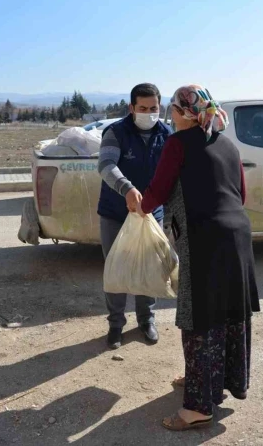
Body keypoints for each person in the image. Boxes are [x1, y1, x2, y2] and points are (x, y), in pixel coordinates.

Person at [137, 84, 260, 431]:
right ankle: (216, 381)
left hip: (204, 240)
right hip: (238, 236)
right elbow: (242, 193)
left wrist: (139, 206)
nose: (169, 116)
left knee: (199, 320)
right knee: (230, 315)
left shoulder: (177, 144)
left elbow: (157, 193)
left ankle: (198, 407)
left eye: (172, 110)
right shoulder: (227, 144)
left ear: (184, 113)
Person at [97, 83, 172, 349]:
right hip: (115, 214)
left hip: (152, 214)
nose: (149, 113)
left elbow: (173, 176)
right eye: (143, 108)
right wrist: (127, 189)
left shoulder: (167, 134)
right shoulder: (116, 132)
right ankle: (116, 324)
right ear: (131, 108)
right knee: (116, 269)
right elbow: (106, 165)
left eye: (154, 108)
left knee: (148, 268)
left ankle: (146, 320)